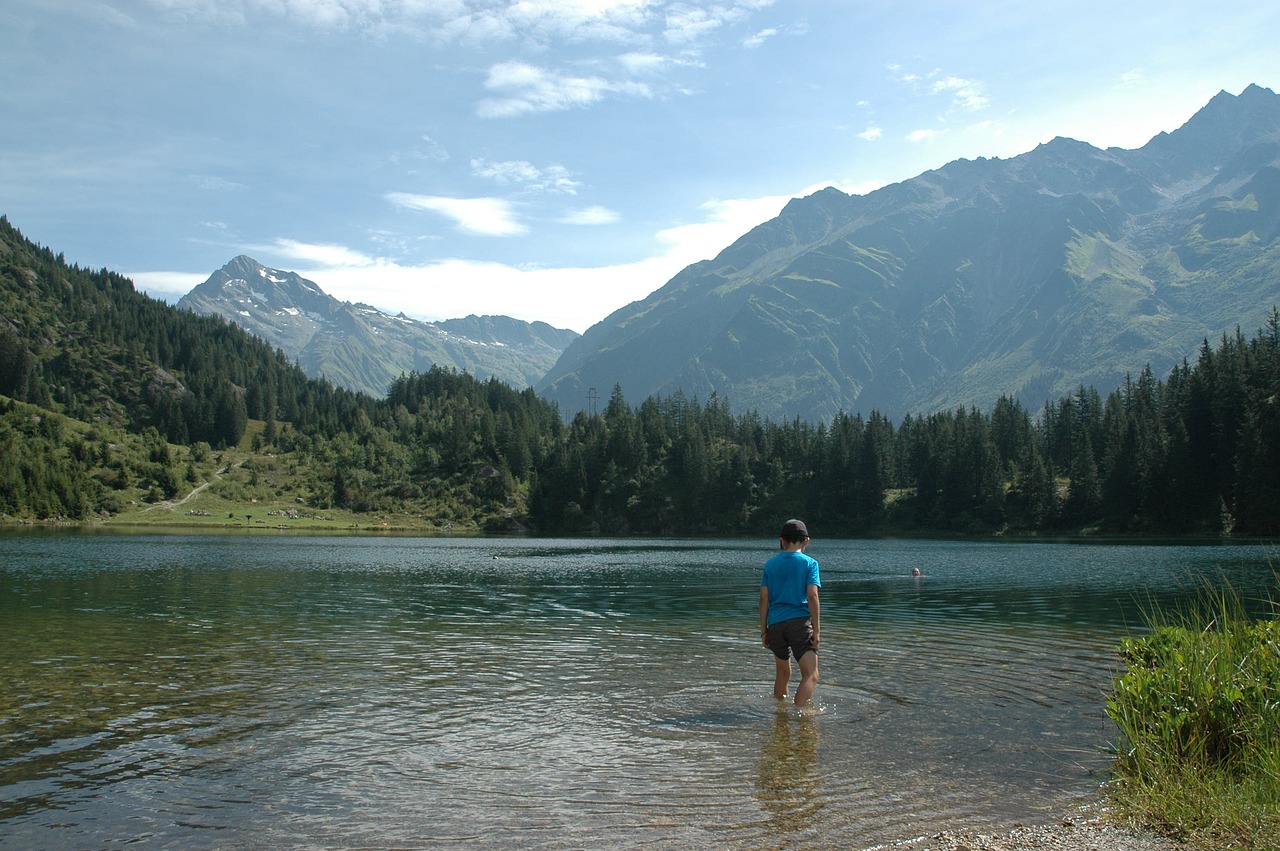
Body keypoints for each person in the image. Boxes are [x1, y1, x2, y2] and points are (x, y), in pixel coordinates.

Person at [759, 518, 821, 708]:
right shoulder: (810, 563)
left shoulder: (770, 564)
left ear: (782, 541)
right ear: (806, 541)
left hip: (776, 624)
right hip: (799, 623)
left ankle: (780, 716)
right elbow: (812, 595)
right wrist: (817, 631)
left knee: (783, 673)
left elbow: (763, 598)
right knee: (811, 674)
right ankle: (799, 713)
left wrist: (764, 631)